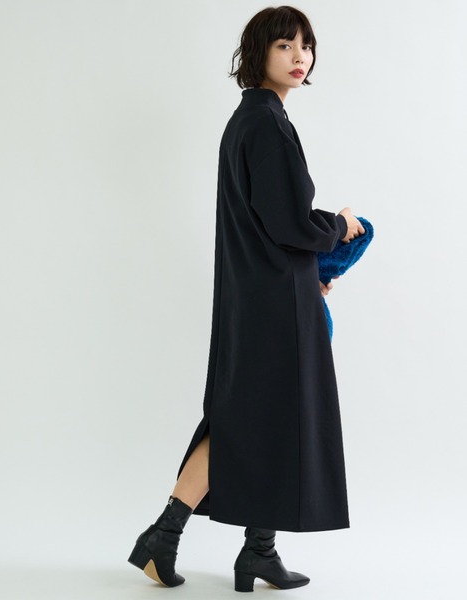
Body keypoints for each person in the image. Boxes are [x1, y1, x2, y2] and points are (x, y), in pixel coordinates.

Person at [128, 5, 365, 593]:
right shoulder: (264, 125)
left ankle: (246, 549)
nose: (299, 56)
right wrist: (337, 228)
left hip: (262, 292)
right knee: (251, 422)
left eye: (305, 45)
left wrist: (306, 273)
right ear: (259, 53)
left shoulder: (252, 120)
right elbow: (288, 224)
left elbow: (267, 225)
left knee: (256, 420)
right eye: (285, 45)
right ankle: (173, 537)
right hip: (274, 304)